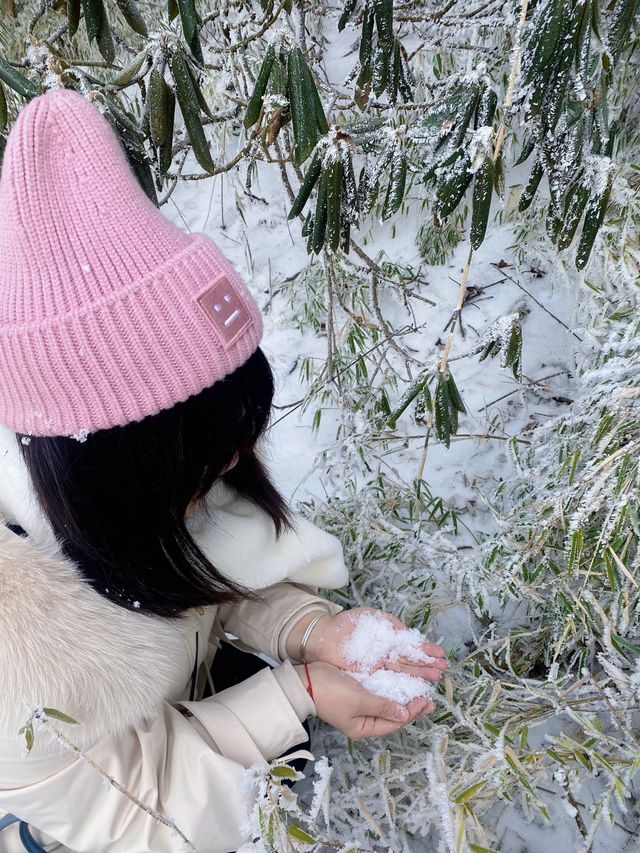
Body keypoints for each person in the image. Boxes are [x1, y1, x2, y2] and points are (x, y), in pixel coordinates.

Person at [0, 88, 446, 852]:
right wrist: (293, 697)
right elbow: (137, 813)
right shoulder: (19, 642)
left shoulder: (133, 482)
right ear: (108, 470)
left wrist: (309, 628)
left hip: (176, 699)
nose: (232, 471)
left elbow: (209, 563)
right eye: (205, 463)